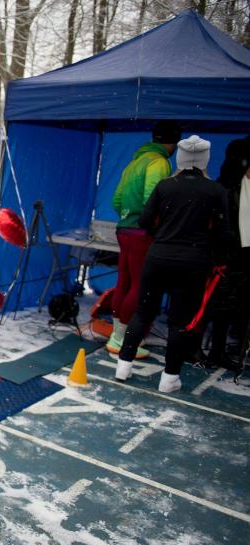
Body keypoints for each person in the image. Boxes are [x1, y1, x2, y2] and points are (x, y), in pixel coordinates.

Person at [116, 136, 231, 392]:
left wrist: (166, 228)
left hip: (158, 256)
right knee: (179, 322)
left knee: (143, 312)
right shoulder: (216, 191)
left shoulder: (165, 186)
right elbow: (224, 233)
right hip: (192, 262)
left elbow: (145, 221)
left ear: (179, 158)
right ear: (204, 160)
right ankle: (169, 378)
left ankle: (123, 364)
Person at [108, 121, 181, 358]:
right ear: (173, 143)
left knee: (125, 281)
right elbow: (154, 196)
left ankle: (116, 335)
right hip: (143, 233)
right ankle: (122, 338)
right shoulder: (159, 162)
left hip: (124, 229)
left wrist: (128, 217)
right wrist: (155, 223)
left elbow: (116, 200)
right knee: (140, 286)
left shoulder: (134, 162)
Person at [202, 135, 250, 371]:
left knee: (227, 307)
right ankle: (211, 350)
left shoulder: (232, 186)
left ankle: (218, 350)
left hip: (235, 258)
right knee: (216, 305)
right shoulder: (226, 188)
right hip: (224, 259)